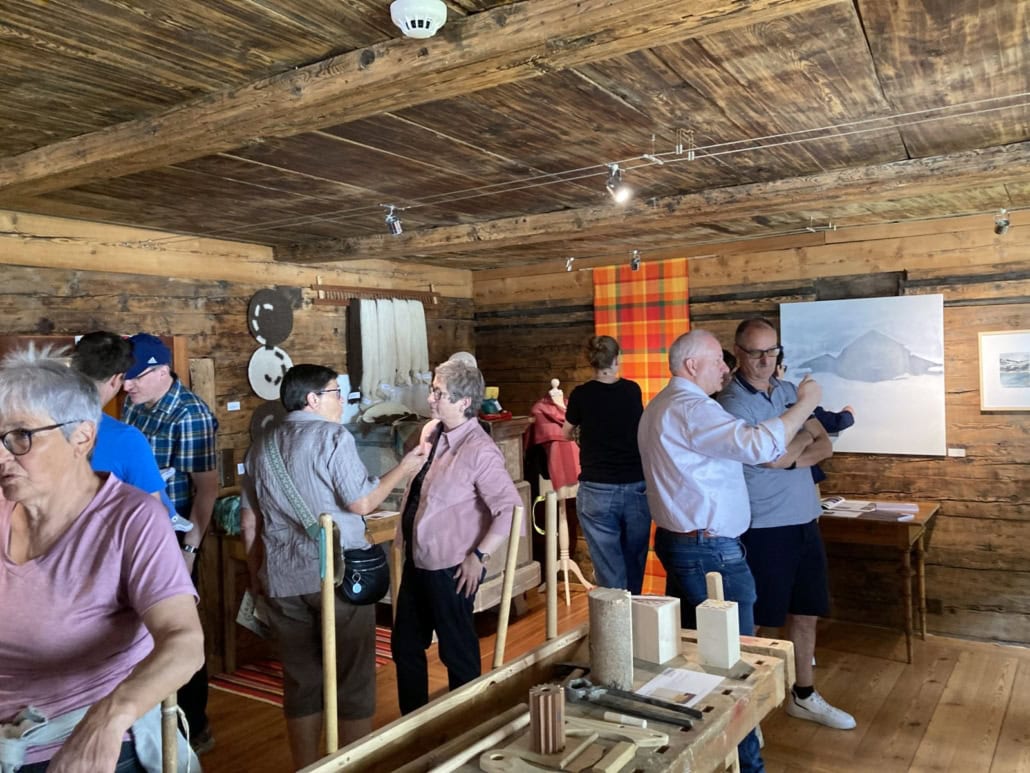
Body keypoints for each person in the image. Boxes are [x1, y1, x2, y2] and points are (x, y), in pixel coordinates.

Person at [0, 347, 203, 772]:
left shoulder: (131, 520)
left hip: (83, 748)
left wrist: (109, 717)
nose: (2, 456)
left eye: (20, 436)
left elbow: (184, 641)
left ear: (82, 438)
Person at [638, 329, 823, 773]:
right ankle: (746, 764)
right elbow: (760, 446)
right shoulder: (691, 408)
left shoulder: (664, 404)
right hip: (709, 550)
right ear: (691, 366)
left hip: (691, 544)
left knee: (702, 657)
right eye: (718, 361)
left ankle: (704, 753)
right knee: (734, 666)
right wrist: (806, 404)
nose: (727, 367)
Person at [243, 363, 425, 769]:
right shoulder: (332, 436)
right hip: (339, 575)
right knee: (353, 677)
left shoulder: (261, 445)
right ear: (313, 399)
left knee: (301, 681)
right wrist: (405, 468)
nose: (341, 401)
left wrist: (257, 577)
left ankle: (308, 766)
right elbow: (361, 503)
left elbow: (249, 521)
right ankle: (353, 765)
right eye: (335, 393)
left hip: (283, 578)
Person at [718, 317, 856, 730]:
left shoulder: (788, 392)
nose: (765, 361)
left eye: (772, 352)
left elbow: (824, 445)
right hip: (763, 526)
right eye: (756, 353)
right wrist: (793, 445)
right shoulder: (732, 403)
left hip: (805, 518)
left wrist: (790, 450)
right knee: (758, 620)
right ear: (738, 353)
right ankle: (743, 707)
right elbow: (768, 457)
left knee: (806, 611)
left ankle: (804, 695)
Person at [391, 360, 521, 714]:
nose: (430, 399)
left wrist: (478, 556)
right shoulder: (432, 432)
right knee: (405, 646)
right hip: (418, 560)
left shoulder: (480, 449)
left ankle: (467, 724)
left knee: (457, 652)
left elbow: (509, 509)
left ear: (464, 402)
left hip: (451, 568)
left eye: (439, 393)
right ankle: (413, 726)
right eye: (432, 390)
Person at [121, 332, 219, 752]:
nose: (127, 385)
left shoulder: (189, 414)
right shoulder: (133, 403)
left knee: (180, 631)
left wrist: (190, 550)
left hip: (174, 538)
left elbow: (207, 490)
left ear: (162, 371)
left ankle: (194, 726)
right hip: (135, 534)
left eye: (135, 376)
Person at [70, 330, 189, 531]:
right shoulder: (126, 439)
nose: (126, 386)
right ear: (116, 379)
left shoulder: (38, 421)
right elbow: (154, 521)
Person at [561, 335, 650, 593]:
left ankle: (615, 615)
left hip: (597, 487)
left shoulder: (580, 395)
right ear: (617, 359)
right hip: (636, 485)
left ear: (590, 360)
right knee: (634, 560)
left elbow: (566, 433)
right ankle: (633, 610)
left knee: (608, 567)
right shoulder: (632, 390)